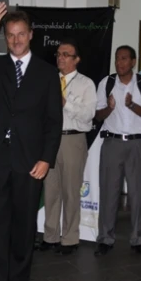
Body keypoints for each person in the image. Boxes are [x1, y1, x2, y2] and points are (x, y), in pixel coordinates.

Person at [0, 3, 63, 281]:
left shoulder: (48, 74)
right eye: (10, 35)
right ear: (4, 37)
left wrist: (46, 158)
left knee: (24, 225)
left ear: (31, 35)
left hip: (30, 161)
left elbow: (53, 121)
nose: (16, 40)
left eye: (21, 34)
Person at [94, 46, 141, 256]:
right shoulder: (106, 83)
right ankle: (105, 237)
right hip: (112, 143)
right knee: (109, 191)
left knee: (138, 192)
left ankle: (138, 238)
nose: (119, 63)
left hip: (137, 144)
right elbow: (98, 116)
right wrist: (110, 108)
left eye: (124, 59)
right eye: (117, 59)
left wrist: (131, 105)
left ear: (133, 62)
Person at [40, 39, 96, 256]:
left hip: (73, 139)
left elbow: (88, 115)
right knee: (51, 190)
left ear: (76, 59)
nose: (60, 58)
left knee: (71, 191)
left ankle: (70, 238)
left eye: (65, 54)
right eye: (58, 54)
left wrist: (65, 103)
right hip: (50, 140)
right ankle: (50, 236)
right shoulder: (49, 80)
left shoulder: (86, 84)